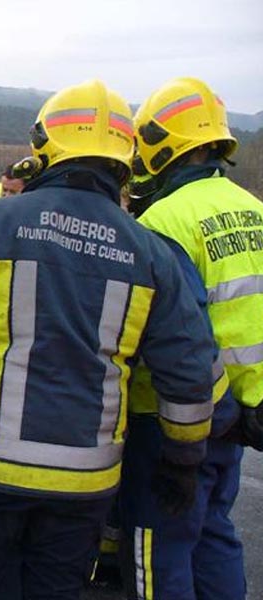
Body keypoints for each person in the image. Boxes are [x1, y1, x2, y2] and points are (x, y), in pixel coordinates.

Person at [0, 80, 218, 600]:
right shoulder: (151, 253)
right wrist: (184, 459)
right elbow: (190, 371)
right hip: (84, 489)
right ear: (126, 160)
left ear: (45, 148)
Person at [118, 76, 263, 600]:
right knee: (214, 533)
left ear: (162, 144)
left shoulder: (164, 221)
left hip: (174, 415)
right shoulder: (253, 208)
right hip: (243, 415)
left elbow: (178, 338)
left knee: (158, 546)